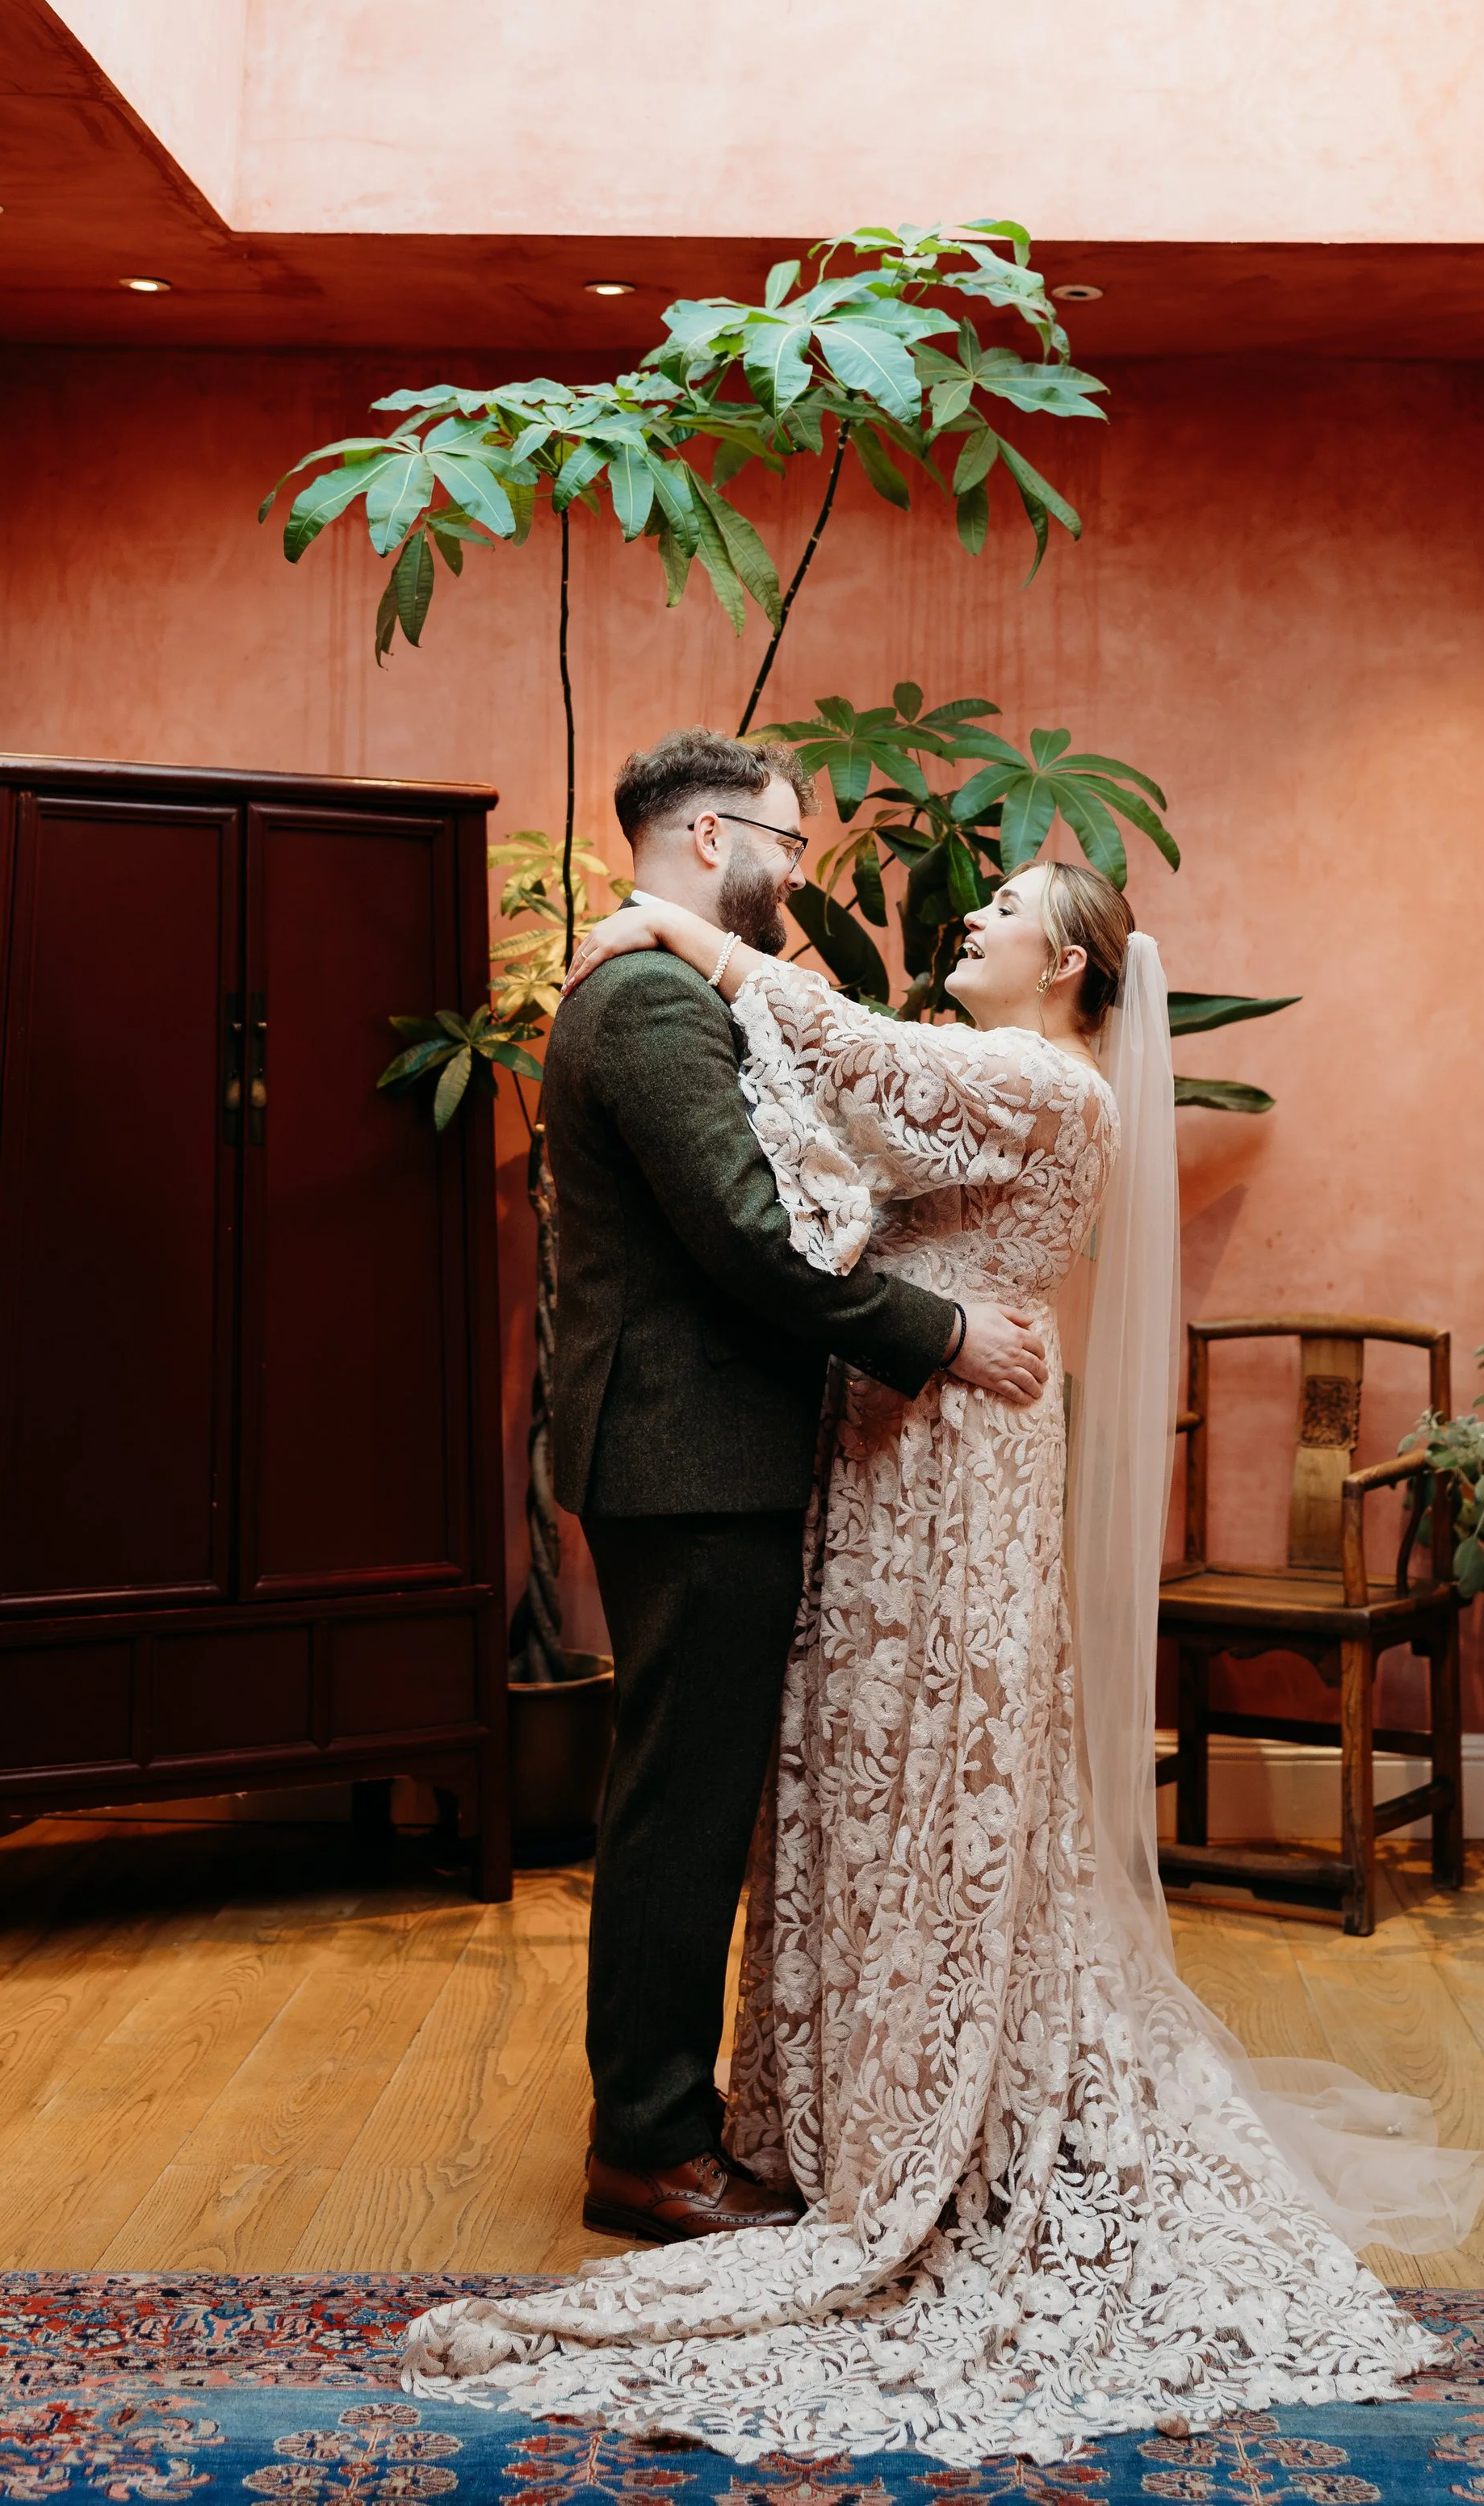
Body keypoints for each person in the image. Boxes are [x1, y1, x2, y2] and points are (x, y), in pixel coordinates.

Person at [405, 848, 1484, 2462]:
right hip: (891, 1442)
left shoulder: (1042, 1086)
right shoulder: (999, 1075)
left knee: (937, 1757)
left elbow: (852, 1061)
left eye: (1002, 912)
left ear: (1065, 970)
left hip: (950, 1459)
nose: (969, 920)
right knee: (859, 1760)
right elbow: (818, 1122)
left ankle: (936, 2099)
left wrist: (676, 930)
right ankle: (843, 2094)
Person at [535, 728, 1053, 2251]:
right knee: (678, 1810)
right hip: (684, 1455)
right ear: (710, 841)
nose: (800, 869)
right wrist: (945, 1332)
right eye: (788, 842)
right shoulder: (641, 1009)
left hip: (704, 1451)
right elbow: (755, 1246)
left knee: (691, 1798)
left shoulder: (675, 982)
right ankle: (645, 2148)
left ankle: (668, 2126)